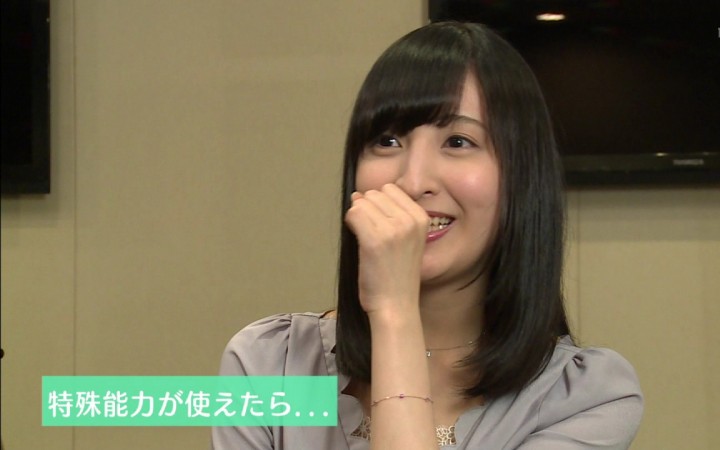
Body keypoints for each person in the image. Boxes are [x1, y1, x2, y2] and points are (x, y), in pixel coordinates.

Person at [212, 21, 643, 450]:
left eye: (457, 141)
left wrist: (394, 312)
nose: (413, 181)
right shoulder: (269, 366)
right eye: (387, 141)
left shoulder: (586, 398)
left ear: (522, 176)